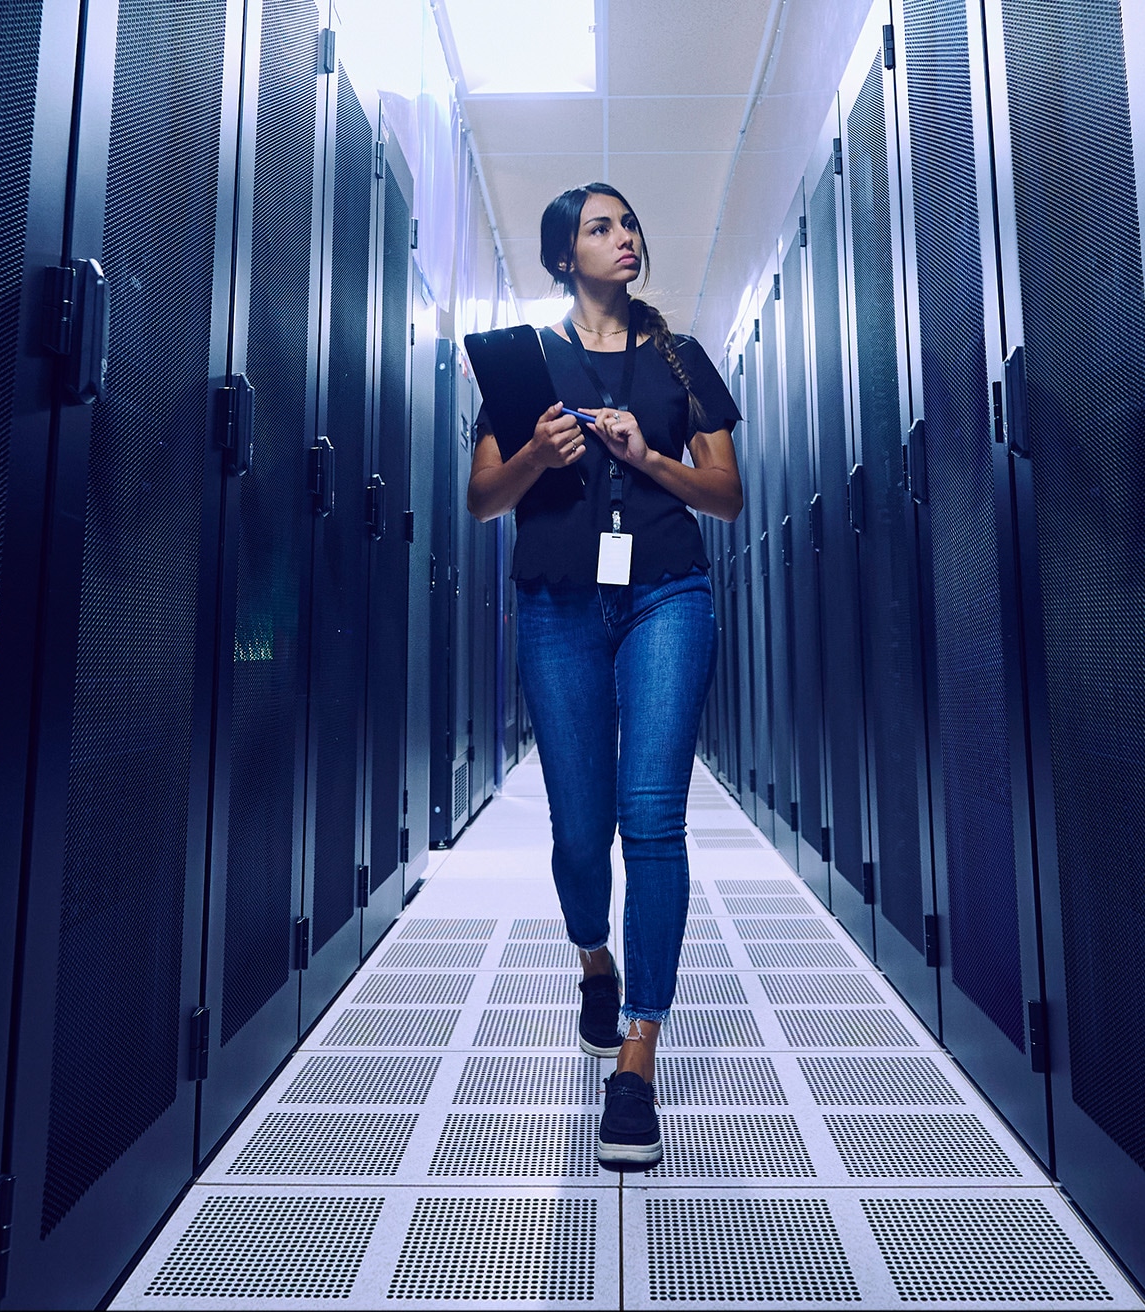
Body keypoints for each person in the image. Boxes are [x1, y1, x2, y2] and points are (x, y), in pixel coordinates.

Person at [465, 183, 743, 1170]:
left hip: (665, 593)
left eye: (628, 222)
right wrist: (537, 456)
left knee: (650, 820)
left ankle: (637, 1058)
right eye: (599, 227)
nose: (623, 237)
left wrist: (650, 454)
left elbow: (726, 495)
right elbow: (479, 499)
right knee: (578, 829)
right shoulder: (520, 360)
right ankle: (593, 956)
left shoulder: (679, 360)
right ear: (560, 257)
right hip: (556, 604)